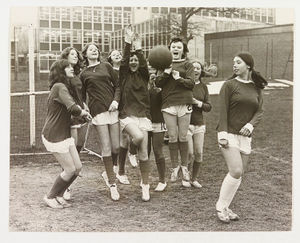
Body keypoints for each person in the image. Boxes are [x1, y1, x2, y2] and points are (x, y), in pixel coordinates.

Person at [216, 52, 267, 223]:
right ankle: (220, 207)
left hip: (245, 137)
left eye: (238, 62)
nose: (234, 65)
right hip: (228, 133)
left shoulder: (256, 88)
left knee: (239, 174)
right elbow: (222, 111)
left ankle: (226, 207)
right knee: (236, 170)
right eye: (233, 62)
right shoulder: (229, 85)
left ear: (249, 66)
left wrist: (250, 125)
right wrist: (222, 134)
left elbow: (259, 111)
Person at [42, 59, 92, 209]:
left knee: (77, 168)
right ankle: (50, 196)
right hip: (54, 135)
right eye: (68, 67)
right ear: (60, 71)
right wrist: (82, 112)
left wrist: (82, 113)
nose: (72, 68)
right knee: (69, 169)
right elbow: (72, 107)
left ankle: (59, 195)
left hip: (64, 134)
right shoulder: (59, 87)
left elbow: (73, 107)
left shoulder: (65, 87)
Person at [80, 43, 120, 201]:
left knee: (117, 146)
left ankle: (108, 172)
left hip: (113, 109)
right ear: (86, 54)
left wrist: (116, 101)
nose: (94, 50)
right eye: (91, 49)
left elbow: (118, 86)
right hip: (97, 112)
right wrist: (84, 108)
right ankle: (112, 184)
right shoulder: (83, 73)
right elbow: (82, 96)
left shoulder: (107, 66)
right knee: (107, 148)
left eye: (96, 48)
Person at [155, 37, 195, 187]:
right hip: (168, 104)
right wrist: (166, 73)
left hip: (184, 102)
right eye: (173, 47)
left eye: (179, 47)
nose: (176, 49)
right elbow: (157, 83)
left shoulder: (188, 64)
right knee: (172, 136)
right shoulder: (163, 64)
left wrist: (179, 79)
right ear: (169, 49)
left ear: (183, 50)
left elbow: (191, 84)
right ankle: (175, 167)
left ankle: (184, 167)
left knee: (183, 136)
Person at [118, 25, 152, 201]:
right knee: (137, 138)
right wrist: (128, 42)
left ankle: (145, 186)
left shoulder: (144, 75)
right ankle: (128, 157)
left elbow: (144, 62)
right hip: (127, 115)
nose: (132, 61)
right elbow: (123, 61)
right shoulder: (123, 75)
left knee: (144, 154)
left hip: (143, 116)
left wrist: (138, 48)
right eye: (130, 60)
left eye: (135, 60)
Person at [59, 47, 88, 201]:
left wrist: (84, 104)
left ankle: (71, 172)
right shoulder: (63, 73)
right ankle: (66, 186)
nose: (75, 56)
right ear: (65, 56)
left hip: (80, 112)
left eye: (77, 55)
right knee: (72, 149)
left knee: (80, 145)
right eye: (72, 54)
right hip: (70, 113)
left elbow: (80, 93)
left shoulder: (77, 73)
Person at [187, 61, 212, 188]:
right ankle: (185, 177)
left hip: (199, 124)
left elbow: (208, 107)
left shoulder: (203, 87)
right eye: (193, 68)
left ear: (201, 71)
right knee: (189, 153)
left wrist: (198, 103)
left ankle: (194, 179)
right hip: (186, 123)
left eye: (198, 68)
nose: (195, 70)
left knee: (199, 153)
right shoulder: (185, 85)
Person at [148, 71, 168, 191]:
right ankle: (144, 179)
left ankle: (162, 181)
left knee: (158, 151)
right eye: (150, 77)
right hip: (145, 122)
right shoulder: (143, 90)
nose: (153, 79)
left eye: (154, 77)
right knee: (145, 151)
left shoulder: (162, 91)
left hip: (158, 122)